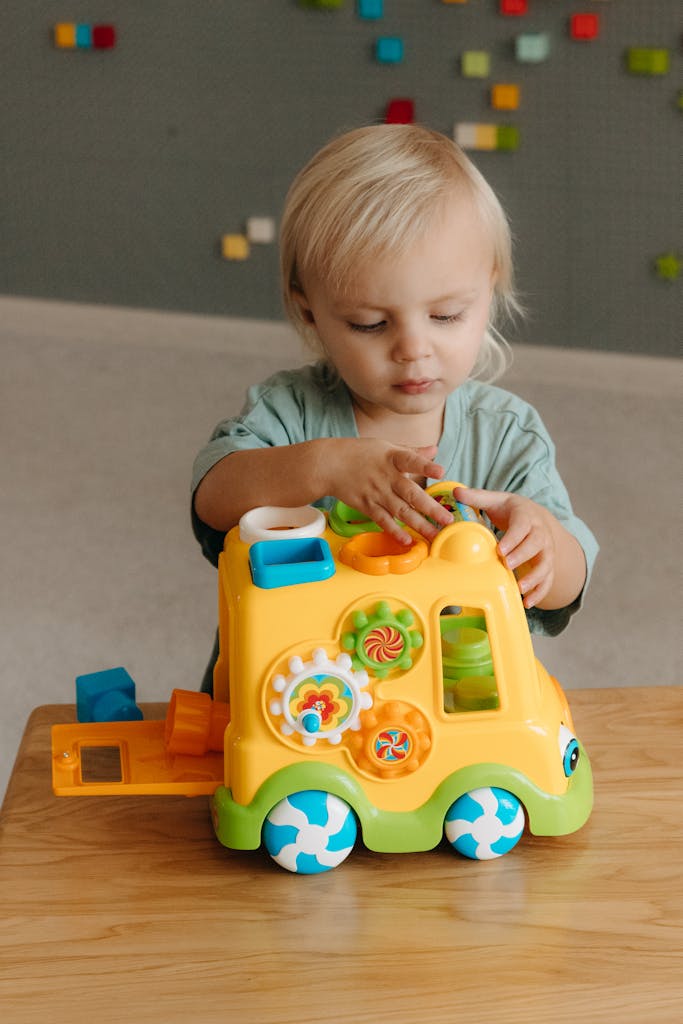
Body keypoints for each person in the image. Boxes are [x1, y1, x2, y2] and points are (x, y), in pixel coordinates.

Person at [191, 124, 598, 692]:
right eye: (370, 324)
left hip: (452, 701)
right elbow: (213, 498)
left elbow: (571, 582)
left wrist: (544, 542)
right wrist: (324, 466)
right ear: (310, 313)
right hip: (296, 696)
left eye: (447, 315)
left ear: (490, 288)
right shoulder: (290, 410)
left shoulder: (506, 434)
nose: (413, 348)